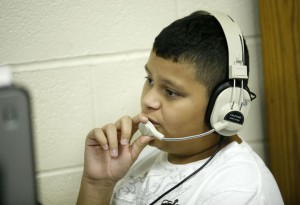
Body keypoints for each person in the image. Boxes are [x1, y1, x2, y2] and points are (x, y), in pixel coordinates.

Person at [76, 11, 284, 205]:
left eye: (171, 92)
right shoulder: (146, 155)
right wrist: (97, 185)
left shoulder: (238, 191)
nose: (149, 100)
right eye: (149, 79)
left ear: (224, 105)